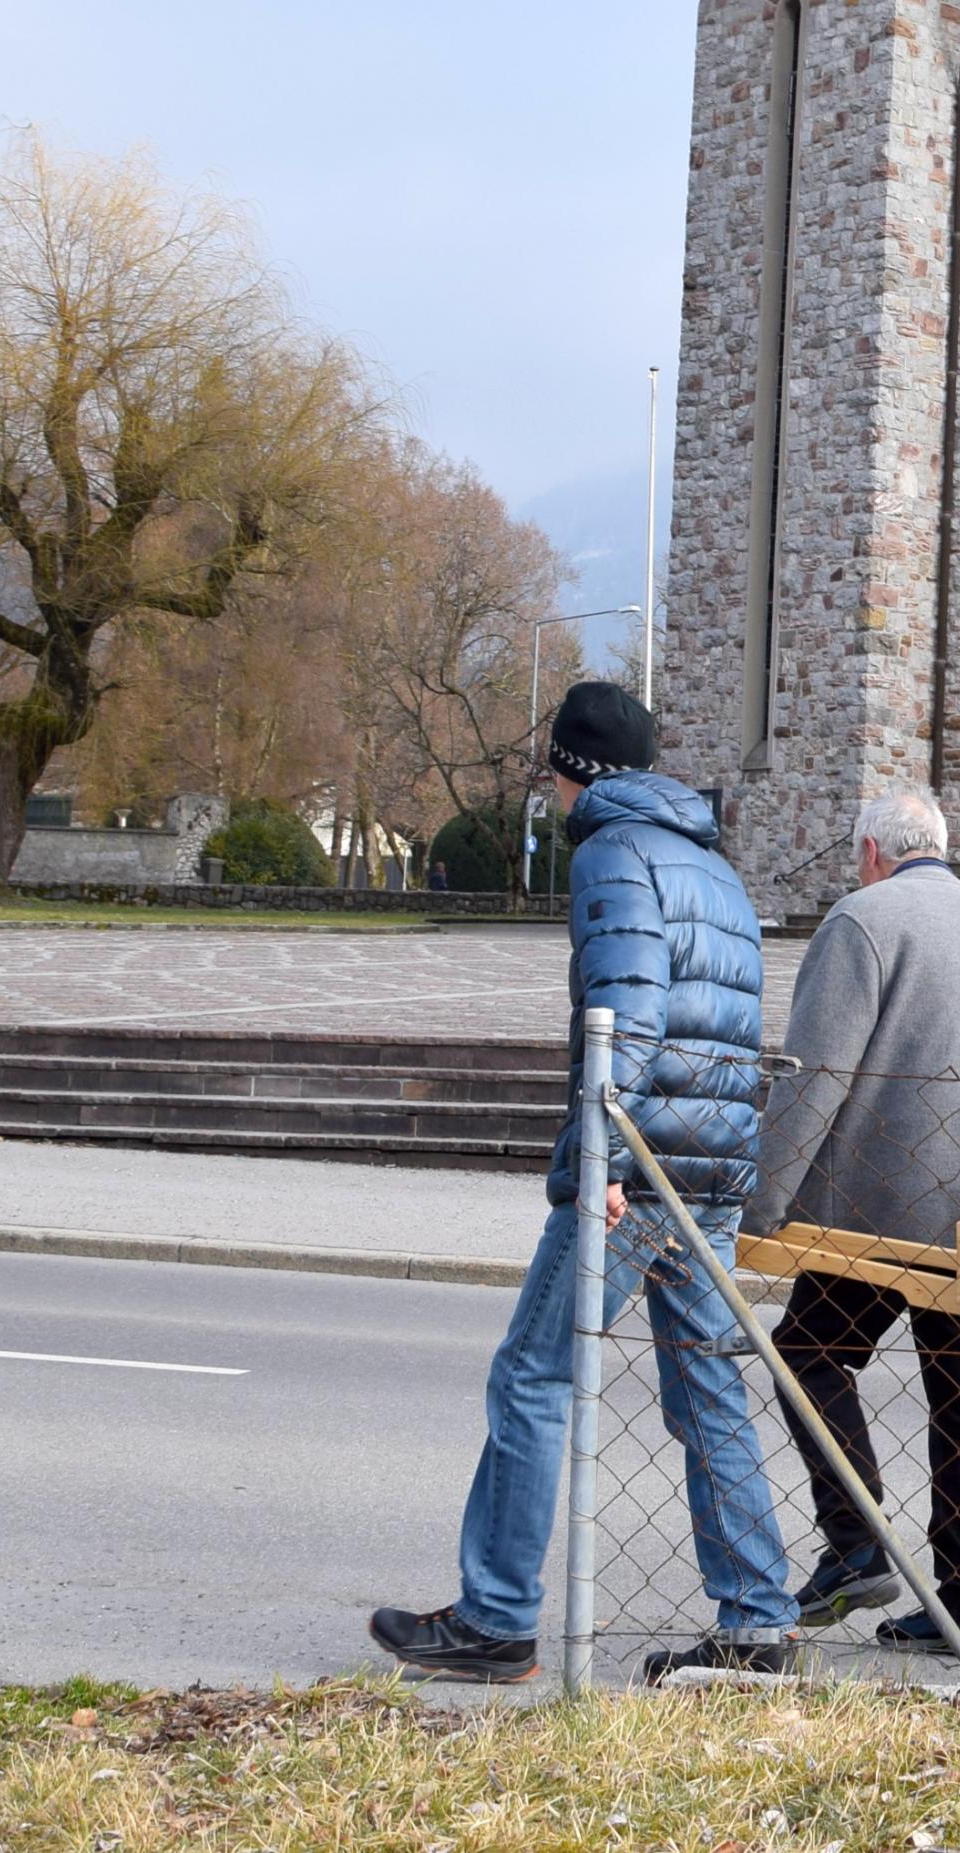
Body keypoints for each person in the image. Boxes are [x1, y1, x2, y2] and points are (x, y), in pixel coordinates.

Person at [368, 680, 800, 1684]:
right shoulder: (713, 864)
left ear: (569, 770)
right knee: (708, 1390)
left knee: (532, 1374)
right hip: (710, 1166)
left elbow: (628, 1014)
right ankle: (758, 1619)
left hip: (636, 1170)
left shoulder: (613, 851)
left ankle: (496, 1618)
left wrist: (599, 1155)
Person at [750, 785, 960, 1662]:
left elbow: (812, 1075)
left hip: (877, 1209)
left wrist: (765, 1206)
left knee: (807, 1351)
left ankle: (855, 1540)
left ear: (870, 854)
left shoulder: (862, 919)